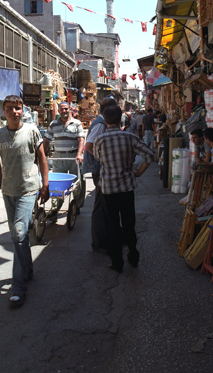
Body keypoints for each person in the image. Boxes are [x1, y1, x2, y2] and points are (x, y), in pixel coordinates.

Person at [0, 95, 49, 309]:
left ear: (22, 110)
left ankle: (18, 288)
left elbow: (42, 159)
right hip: (8, 191)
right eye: (10, 108)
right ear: (4, 111)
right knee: (18, 236)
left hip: (28, 190)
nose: (14, 112)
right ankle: (26, 271)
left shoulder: (31, 131)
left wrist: (45, 185)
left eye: (18, 108)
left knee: (19, 233)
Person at [93, 105, 154, 273]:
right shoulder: (130, 137)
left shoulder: (100, 139)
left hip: (108, 189)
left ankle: (116, 261)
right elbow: (149, 155)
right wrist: (139, 172)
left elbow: (98, 159)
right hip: (127, 187)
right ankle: (133, 255)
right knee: (129, 224)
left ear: (105, 120)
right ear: (121, 119)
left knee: (111, 225)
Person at [82, 97, 118, 253]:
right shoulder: (100, 124)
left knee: (104, 204)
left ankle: (105, 237)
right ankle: (98, 241)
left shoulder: (102, 123)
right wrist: (101, 158)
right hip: (99, 169)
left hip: (101, 169)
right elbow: (89, 144)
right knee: (100, 205)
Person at [43, 102, 85, 216]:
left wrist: (79, 154)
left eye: (66, 109)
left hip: (73, 157)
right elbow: (46, 140)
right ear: (59, 111)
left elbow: (81, 139)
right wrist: (41, 155)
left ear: (69, 110)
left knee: (77, 183)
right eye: (62, 109)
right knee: (57, 184)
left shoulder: (76, 123)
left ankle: (77, 205)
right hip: (59, 157)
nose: (64, 111)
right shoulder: (53, 124)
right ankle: (55, 209)